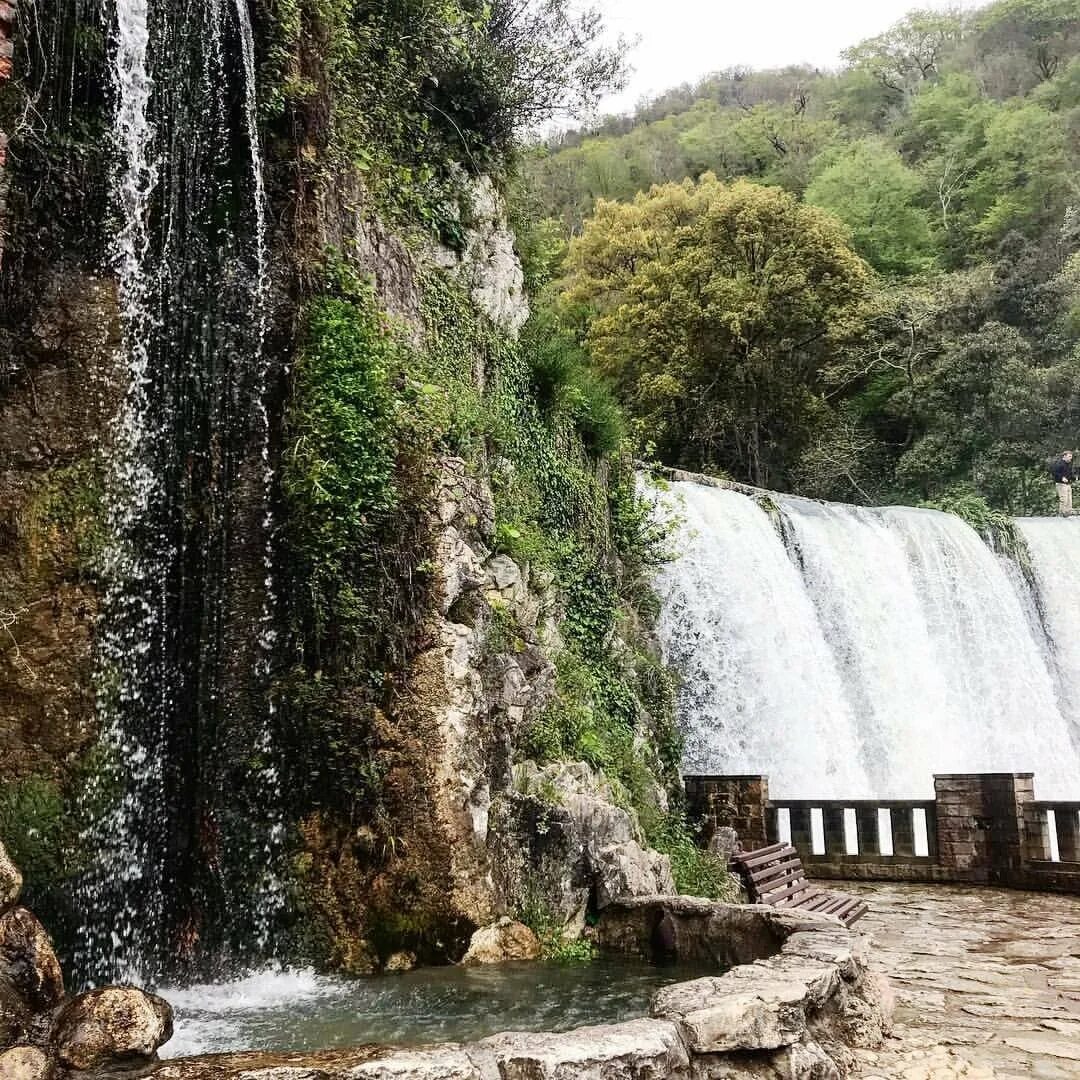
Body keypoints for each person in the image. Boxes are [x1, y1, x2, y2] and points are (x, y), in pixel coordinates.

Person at [1052, 451, 1075, 516]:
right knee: (1064, 499)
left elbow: (1069, 474)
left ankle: (1068, 512)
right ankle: (1062, 513)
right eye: (1069, 456)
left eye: (1071, 456)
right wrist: (1061, 478)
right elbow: (1054, 472)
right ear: (1064, 456)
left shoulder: (1068, 464)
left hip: (1068, 484)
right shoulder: (1059, 463)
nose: (1071, 458)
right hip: (1061, 484)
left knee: (1069, 499)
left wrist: (1074, 478)